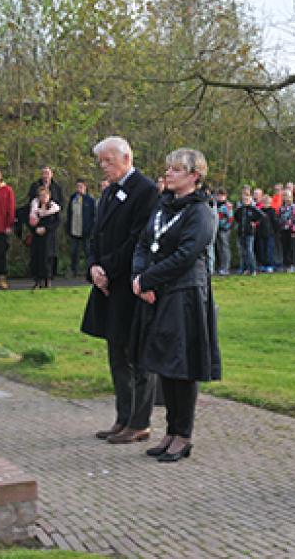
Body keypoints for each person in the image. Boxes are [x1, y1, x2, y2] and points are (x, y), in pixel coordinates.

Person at [130, 148, 221, 463]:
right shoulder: (163, 206)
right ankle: (170, 431)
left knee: (182, 366)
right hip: (156, 293)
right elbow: (143, 243)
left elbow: (186, 255)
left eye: (177, 170)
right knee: (165, 365)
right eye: (168, 168)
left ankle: (184, 434)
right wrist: (140, 277)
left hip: (184, 295)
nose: (168, 173)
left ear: (194, 176)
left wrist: (149, 279)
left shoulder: (201, 212)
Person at [80, 136, 160, 445]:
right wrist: (93, 267)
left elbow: (138, 240)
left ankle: (140, 422)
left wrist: (109, 269)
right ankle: (123, 417)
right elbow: (96, 235)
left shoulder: (146, 191)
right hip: (107, 286)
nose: (103, 167)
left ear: (126, 158)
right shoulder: (110, 191)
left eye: (108, 161)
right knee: (116, 355)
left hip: (130, 286)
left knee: (137, 356)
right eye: (101, 161)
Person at [29, 187, 62, 289]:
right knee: (37, 258)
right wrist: (35, 229)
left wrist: (46, 229)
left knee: (48, 258)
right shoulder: (34, 208)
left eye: (45, 195)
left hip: (49, 237)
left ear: (49, 196)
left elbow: (57, 222)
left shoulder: (54, 208)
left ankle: (48, 280)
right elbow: (30, 222)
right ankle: (37, 281)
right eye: (41, 195)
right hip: (37, 237)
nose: (43, 198)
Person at [67, 179, 96, 278]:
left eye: (81, 186)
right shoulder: (73, 199)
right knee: (74, 252)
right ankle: (74, 270)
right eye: (77, 186)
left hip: (86, 231)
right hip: (75, 230)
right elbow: (69, 214)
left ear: (85, 187)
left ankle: (89, 272)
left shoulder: (90, 200)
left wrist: (91, 229)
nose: (79, 189)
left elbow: (93, 216)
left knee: (88, 252)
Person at [233, 189, 262, 275]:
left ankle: (253, 269)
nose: (245, 201)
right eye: (244, 199)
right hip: (240, 233)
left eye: (247, 199)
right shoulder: (240, 209)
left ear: (250, 199)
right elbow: (236, 217)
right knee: (242, 252)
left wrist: (255, 223)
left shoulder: (253, 209)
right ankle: (243, 269)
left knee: (249, 251)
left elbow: (261, 216)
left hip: (249, 233)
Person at [213, 188, 233, 276]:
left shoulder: (227, 206)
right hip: (215, 229)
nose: (220, 197)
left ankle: (225, 267)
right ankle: (219, 266)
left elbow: (230, 219)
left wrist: (225, 227)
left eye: (222, 195)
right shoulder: (214, 205)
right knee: (218, 249)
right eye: (218, 195)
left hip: (224, 229)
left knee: (224, 248)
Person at [257, 192, 278, 272]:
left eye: (267, 202)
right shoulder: (260, 211)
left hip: (270, 234)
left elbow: (275, 223)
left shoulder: (272, 211)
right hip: (261, 234)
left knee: (270, 250)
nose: (266, 204)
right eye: (264, 202)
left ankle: (270, 265)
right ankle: (263, 264)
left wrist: (275, 232)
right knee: (262, 250)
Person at [279, 189, 295, 272]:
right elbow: (280, 218)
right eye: (284, 196)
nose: (286, 198)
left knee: (291, 248)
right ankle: (285, 263)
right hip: (283, 229)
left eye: (287, 196)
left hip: (291, 230)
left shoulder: (294, 207)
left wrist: (294, 231)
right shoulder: (281, 208)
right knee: (284, 247)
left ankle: (292, 264)